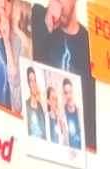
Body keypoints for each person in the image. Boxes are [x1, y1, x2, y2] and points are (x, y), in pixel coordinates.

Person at [31, 0, 94, 148]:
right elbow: (29, 59)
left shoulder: (89, 43)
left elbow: (90, 109)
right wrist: (46, 24)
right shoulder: (37, 16)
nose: (57, 3)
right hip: (42, 135)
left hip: (75, 144)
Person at [25, 66, 48, 137]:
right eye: (31, 80)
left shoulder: (40, 106)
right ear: (28, 83)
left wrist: (40, 97)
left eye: (35, 80)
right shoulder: (26, 105)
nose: (34, 84)